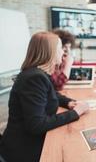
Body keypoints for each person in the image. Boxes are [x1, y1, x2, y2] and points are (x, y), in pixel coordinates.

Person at [0, 32, 89, 162]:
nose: (63, 53)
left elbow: (52, 94)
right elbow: (37, 125)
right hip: (23, 151)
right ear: (50, 52)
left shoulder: (37, 73)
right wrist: (76, 113)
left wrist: (69, 102)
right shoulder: (34, 77)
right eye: (60, 48)